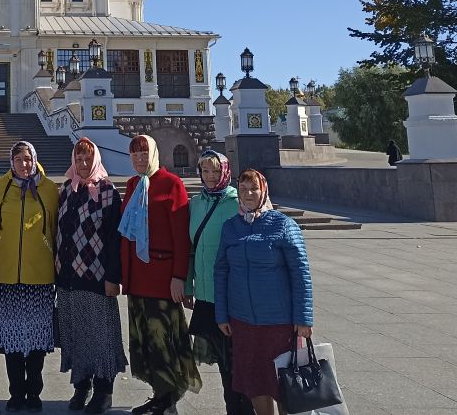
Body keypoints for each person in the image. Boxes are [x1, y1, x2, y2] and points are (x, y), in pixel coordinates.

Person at [214, 169, 313, 415]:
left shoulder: (283, 225)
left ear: (263, 191)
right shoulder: (231, 227)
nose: (248, 194)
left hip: (278, 322)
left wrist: (304, 318)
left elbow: (301, 272)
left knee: (284, 383)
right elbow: (221, 271)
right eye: (244, 189)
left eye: (253, 189)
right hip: (244, 321)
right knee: (255, 381)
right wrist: (222, 314)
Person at [119, 134, 200, 415]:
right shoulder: (132, 185)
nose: (139, 158)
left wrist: (180, 276)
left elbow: (181, 237)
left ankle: (168, 398)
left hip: (162, 277)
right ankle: (159, 394)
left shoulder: (171, 184)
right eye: (134, 154)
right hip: (138, 277)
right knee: (145, 340)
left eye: (144, 153)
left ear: (154, 154)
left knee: (163, 338)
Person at [54, 138, 126, 415]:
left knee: (100, 335)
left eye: (87, 159)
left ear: (95, 160)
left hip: (96, 278)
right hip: (68, 277)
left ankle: (104, 389)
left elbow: (113, 238)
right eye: (79, 159)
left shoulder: (107, 191)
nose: (83, 165)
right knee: (75, 334)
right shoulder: (67, 190)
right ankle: (81, 385)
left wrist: (112, 277)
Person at [0, 140, 60, 412]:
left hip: (39, 275)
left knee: (38, 338)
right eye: (18, 159)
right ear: (11, 162)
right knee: (11, 338)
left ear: (35, 159)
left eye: (28, 159)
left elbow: (55, 228)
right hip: (5, 275)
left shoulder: (49, 190)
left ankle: (34, 392)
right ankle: (16, 391)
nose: (24, 164)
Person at [184, 151, 253, 415]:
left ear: (225, 171)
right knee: (225, 362)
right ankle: (232, 408)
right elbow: (192, 247)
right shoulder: (196, 203)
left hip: (232, 295)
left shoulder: (237, 202)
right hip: (206, 295)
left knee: (237, 359)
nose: (210, 177)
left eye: (215, 171)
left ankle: (246, 409)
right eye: (205, 171)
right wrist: (190, 285)